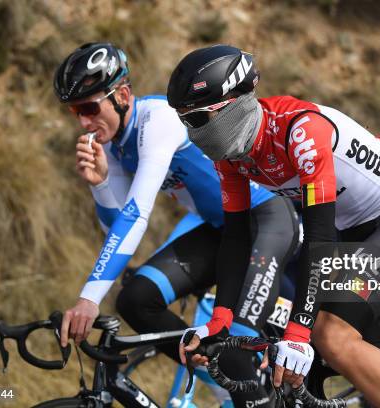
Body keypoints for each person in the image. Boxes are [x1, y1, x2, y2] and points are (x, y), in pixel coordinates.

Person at [167, 45, 380, 408]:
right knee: (371, 384)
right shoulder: (233, 158)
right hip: (357, 238)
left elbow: (319, 237)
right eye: (185, 121)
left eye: (198, 120)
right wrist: (220, 319)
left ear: (232, 104)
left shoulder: (300, 130)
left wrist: (299, 332)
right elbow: (235, 239)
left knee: (328, 335)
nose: (193, 133)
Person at [53, 42, 299, 408]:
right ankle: (212, 366)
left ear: (122, 95)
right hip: (223, 229)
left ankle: (245, 384)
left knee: (231, 340)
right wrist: (102, 184)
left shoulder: (158, 122)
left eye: (90, 107)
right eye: (76, 111)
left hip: (267, 219)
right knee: (137, 299)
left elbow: (137, 214)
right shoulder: (114, 145)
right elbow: (117, 226)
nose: (85, 122)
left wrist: (88, 299)